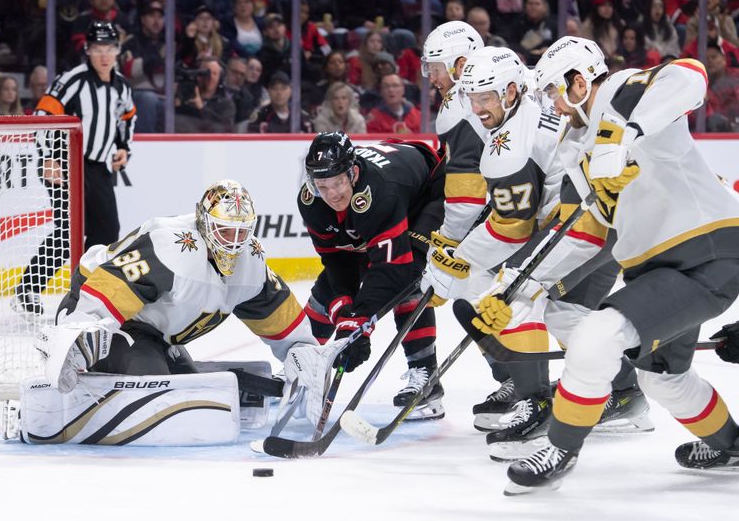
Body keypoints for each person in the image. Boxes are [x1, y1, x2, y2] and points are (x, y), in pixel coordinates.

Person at [483, 36, 739, 493]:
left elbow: (690, 74)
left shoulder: (623, 90)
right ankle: (730, 444)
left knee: (597, 338)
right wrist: (520, 286)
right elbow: (585, 232)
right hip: (658, 268)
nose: (555, 108)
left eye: (556, 95)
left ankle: (560, 448)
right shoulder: (573, 147)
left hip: (708, 251)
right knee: (664, 382)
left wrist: (625, 132)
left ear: (579, 81)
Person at [6, 180, 339, 445]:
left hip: (153, 331)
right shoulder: (172, 247)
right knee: (152, 385)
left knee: (182, 385)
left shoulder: (250, 263)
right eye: (225, 231)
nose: (234, 243)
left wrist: (303, 352)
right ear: (205, 223)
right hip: (102, 313)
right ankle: (59, 410)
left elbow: (282, 321)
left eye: (242, 232)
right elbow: (110, 285)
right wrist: (79, 332)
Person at [421, 46, 566, 456]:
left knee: (513, 296)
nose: (478, 107)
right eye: (472, 97)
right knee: (567, 315)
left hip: (582, 219)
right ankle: (620, 391)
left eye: (486, 97)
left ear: (512, 92)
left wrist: (458, 260)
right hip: (571, 211)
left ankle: (536, 403)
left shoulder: (508, 147)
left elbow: (512, 230)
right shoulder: (527, 92)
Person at [297, 131, 446, 420]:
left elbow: (392, 270)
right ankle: (303, 363)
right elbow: (336, 262)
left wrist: (360, 322)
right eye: (322, 186)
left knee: (409, 279)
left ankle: (426, 376)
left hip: (426, 194)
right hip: (390, 188)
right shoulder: (311, 202)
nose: (332, 195)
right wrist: (345, 316)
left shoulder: (380, 192)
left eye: (338, 183)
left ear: (352, 173)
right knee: (329, 289)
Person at [13, 20, 137, 317]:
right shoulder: (72, 80)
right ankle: (28, 288)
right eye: (98, 49)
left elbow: (127, 118)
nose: (104, 55)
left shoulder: (121, 85)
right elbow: (43, 115)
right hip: (66, 164)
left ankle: (86, 289)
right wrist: (48, 157)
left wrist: (123, 148)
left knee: (107, 230)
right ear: (88, 50)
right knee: (68, 231)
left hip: (97, 166)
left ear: (118, 50)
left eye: (109, 48)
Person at [120, 0, 167, 133]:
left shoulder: (168, 42)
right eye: (152, 16)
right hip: (137, 93)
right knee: (149, 99)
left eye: (160, 17)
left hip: (163, 95)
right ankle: (146, 143)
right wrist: (156, 58)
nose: (156, 21)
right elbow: (130, 71)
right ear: (143, 19)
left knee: (168, 105)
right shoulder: (131, 42)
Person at [247, 71, 313, 133]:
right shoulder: (260, 117)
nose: (279, 92)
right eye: (274, 88)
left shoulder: (302, 117)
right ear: (268, 91)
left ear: (290, 91)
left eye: (283, 88)